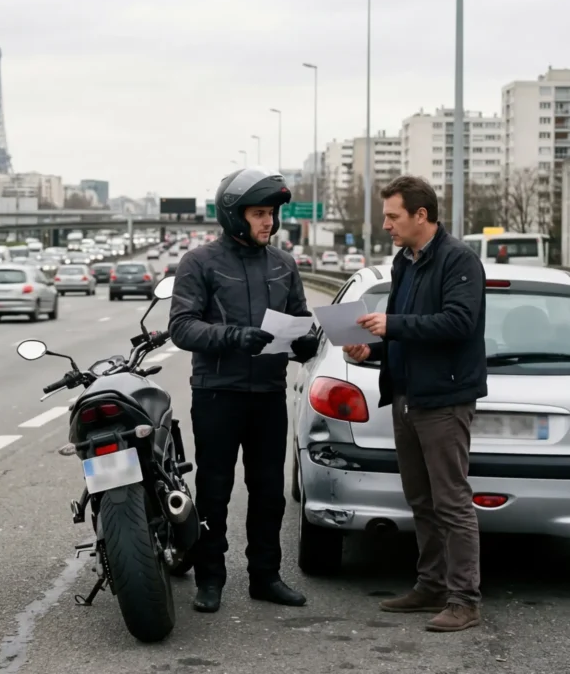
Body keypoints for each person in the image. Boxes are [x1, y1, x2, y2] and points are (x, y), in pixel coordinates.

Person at [168, 167, 320, 614]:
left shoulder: (283, 264)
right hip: (217, 392)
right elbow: (181, 327)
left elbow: (298, 318)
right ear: (234, 216)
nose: (268, 222)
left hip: (269, 393)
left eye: (271, 214)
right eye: (259, 214)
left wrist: (305, 342)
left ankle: (266, 576)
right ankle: (210, 578)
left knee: (269, 490)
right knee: (215, 489)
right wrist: (233, 337)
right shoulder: (199, 263)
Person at [344, 175, 488, 633]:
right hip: (406, 394)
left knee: (452, 501)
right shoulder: (404, 262)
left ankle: (464, 600)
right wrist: (374, 348)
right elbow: (404, 332)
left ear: (420, 215)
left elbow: (458, 323)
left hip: (444, 399)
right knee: (421, 500)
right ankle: (431, 586)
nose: (386, 224)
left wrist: (393, 325)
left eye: (392, 216)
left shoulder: (458, 260)